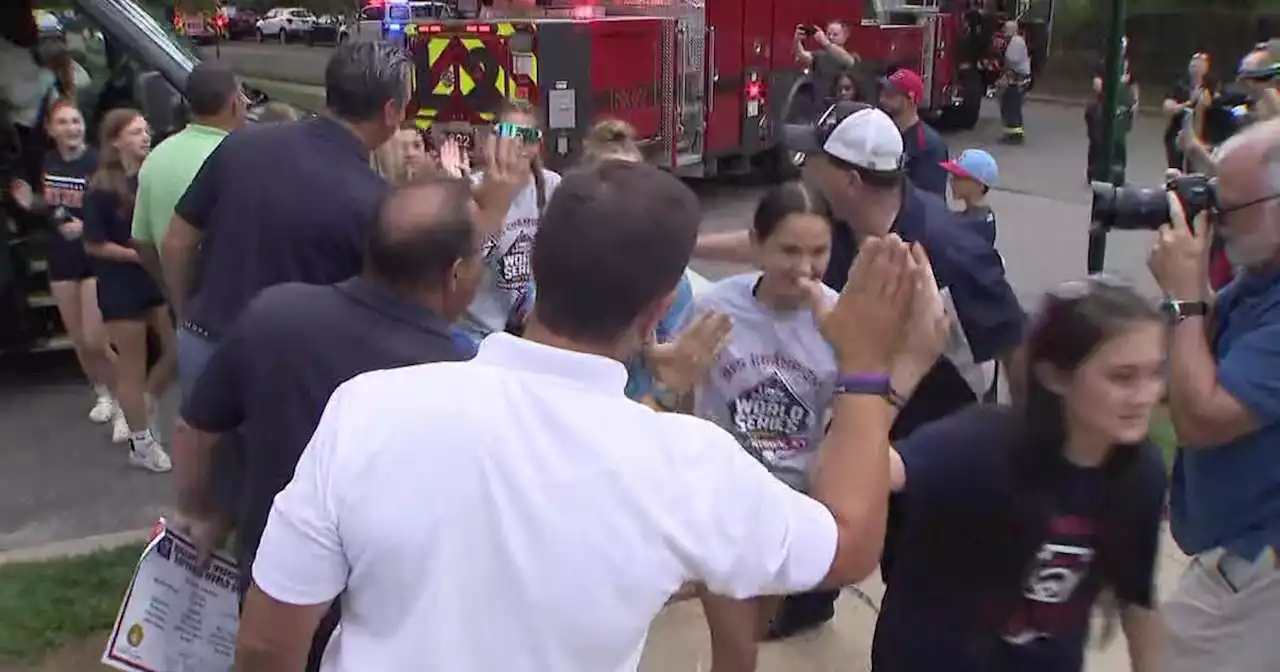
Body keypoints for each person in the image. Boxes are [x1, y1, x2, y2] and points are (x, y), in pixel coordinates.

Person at [235, 160, 944, 671]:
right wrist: (867, 368)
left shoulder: (370, 408)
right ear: (661, 306)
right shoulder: (686, 466)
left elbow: (269, 643)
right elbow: (849, 546)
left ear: (535, 262)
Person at [693, 102, 1025, 637]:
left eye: (814, 159)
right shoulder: (844, 228)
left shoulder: (950, 252)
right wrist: (688, 244)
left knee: (912, 580)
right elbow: (771, 246)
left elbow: (1013, 339)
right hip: (864, 422)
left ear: (848, 179)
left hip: (929, 441)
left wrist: (1032, 449)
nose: (803, 166)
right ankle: (809, 602)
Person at [172, 177, 483, 672]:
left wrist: (201, 512)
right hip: (384, 618)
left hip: (269, 590)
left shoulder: (274, 314)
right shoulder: (463, 378)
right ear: (456, 273)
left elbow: (197, 431)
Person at [688, 180, 947, 671]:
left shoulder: (843, 321)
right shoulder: (713, 308)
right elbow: (682, 395)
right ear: (757, 245)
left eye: (818, 252)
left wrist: (907, 354)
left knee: (755, 631)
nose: (804, 268)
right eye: (788, 250)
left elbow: (859, 422)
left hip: (793, 510)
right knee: (737, 651)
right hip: (722, 502)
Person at [873, 276, 1168, 672]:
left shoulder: (1139, 473)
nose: (1146, 395)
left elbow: (1136, 598)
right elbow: (859, 475)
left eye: (1154, 373)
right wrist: (897, 376)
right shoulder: (978, 446)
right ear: (1055, 376)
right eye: (1123, 377)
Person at [1152, 119, 1280, 671]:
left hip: (1260, 561)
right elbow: (1189, 366)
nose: (1218, 221)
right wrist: (1194, 290)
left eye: (1230, 207)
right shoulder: (1262, 278)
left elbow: (1202, 417)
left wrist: (1184, 300)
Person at [576, 118, 714, 408]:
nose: (626, 200)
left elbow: (677, 396)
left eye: (636, 184)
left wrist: (663, 369)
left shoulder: (674, 284)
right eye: (613, 184)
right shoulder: (561, 269)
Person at [7, 98, 114, 428]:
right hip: (61, 257)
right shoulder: (48, 162)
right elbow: (52, 207)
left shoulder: (97, 162)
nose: (72, 128)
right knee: (79, 338)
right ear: (51, 130)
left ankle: (126, 399)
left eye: (76, 121)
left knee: (97, 337)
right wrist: (30, 203)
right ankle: (102, 394)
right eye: (64, 123)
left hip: (93, 257)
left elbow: (115, 210)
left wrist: (89, 226)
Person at [81, 108, 175, 473]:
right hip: (122, 287)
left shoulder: (151, 178)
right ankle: (142, 443)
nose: (145, 136)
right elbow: (94, 244)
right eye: (136, 132)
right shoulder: (102, 188)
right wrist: (137, 253)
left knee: (178, 347)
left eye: (146, 130)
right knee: (131, 368)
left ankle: (147, 400)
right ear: (116, 140)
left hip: (155, 281)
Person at [455, 100, 561, 342]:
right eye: (509, 133)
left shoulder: (551, 187)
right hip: (477, 330)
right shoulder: (470, 188)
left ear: (538, 144)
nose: (517, 144)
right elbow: (461, 265)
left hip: (528, 327)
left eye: (528, 136)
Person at [132, 62, 246, 285]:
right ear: (234, 103)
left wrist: (171, 286)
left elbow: (141, 242)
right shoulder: (241, 156)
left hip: (184, 303)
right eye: (243, 99)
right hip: (234, 300)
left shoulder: (156, 156)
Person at [878, 69, 950, 197]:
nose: (882, 99)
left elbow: (930, 198)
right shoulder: (883, 134)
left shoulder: (930, 145)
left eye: (890, 95)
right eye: (882, 93)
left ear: (910, 98)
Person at [1086, 37, 1138, 184]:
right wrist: (1114, 85)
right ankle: (1094, 170)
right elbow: (1097, 84)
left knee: (1119, 140)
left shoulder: (1127, 65)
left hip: (1122, 107)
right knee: (1098, 139)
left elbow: (1134, 84)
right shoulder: (1103, 63)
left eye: (1124, 47)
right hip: (1103, 106)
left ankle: (1118, 170)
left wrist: (1135, 102)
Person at [1163, 53, 1215, 171]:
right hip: (1177, 132)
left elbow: (1210, 104)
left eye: (1200, 63)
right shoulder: (1180, 84)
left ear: (1206, 68)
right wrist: (1188, 103)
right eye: (1194, 63)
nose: (1196, 66)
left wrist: (1204, 101)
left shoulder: (1211, 85)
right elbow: (1168, 107)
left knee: (1194, 170)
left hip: (1201, 136)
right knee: (1175, 169)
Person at [793, 21, 859, 110]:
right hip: (820, 106)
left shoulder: (851, 56)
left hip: (841, 107)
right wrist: (797, 40)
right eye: (828, 34)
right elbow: (801, 55)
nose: (831, 37)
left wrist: (826, 43)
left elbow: (847, 60)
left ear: (845, 36)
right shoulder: (820, 56)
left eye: (835, 35)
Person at [941, 148, 1000, 246]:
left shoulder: (973, 224)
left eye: (958, 177)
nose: (952, 182)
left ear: (980, 184)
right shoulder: (984, 215)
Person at [997, 20, 1032, 145]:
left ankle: (1014, 135)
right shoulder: (1014, 41)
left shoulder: (1016, 42)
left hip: (1018, 78)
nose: (1004, 32)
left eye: (1006, 29)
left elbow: (1011, 60)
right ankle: (1010, 133)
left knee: (1012, 106)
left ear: (1012, 30)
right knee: (1009, 105)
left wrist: (1004, 77)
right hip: (1016, 77)